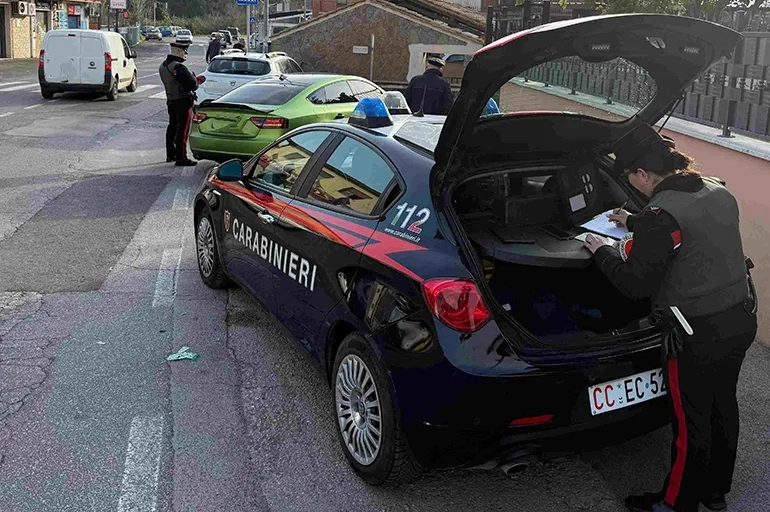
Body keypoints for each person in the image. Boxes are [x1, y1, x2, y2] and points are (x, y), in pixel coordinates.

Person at [582, 123, 757, 512]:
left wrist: (601, 251)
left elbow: (635, 284)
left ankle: (676, 503)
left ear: (643, 174)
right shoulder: (716, 189)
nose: (633, 184)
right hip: (740, 316)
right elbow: (688, 232)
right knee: (721, 406)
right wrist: (631, 221)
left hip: (697, 332)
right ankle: (715, 493)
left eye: (631, 178)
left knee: (689, 419)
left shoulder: (662, 216)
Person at [159, 42, 204, 166]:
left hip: (171, 100)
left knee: (172, 127)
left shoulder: (163, 65)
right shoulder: (178, 67)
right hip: (183, 101)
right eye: (184, 52)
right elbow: (192, 84)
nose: (185, 54)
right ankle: (181, 157)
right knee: (182, 130)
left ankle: (171, 154)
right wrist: (197, 80)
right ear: (178, 52)